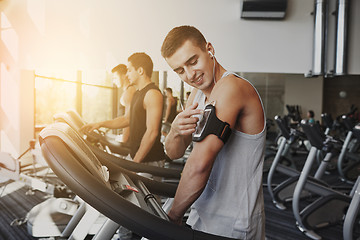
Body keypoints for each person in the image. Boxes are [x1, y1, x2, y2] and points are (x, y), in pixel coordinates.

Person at [161, 25, 266, 239]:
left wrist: (171, 218)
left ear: (209, 49)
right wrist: (175, 131)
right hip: (202, 212)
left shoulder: (232, 88)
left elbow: (200, 165)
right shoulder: (197, 96)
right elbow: (173, 153)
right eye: (180, 70)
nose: (190, 74)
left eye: (193, 62)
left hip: (234, 221)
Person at [81, 53, 165, 164]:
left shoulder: (152, 94)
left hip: (150, 160)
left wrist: (135, 163)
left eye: (129, 70)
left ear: (140, 71)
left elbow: (152, 132)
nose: (127, 74)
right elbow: (126, 119)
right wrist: (100, 124)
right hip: (137, 156)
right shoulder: (137, 94)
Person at [80, 64, 135, 145]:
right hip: (123, 135)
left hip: (128, 138)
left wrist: (124, 139)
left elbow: (128, 119)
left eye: (115, 78)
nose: (114, 81)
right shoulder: (127, 91)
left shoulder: (129, 92)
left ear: (123, 76)